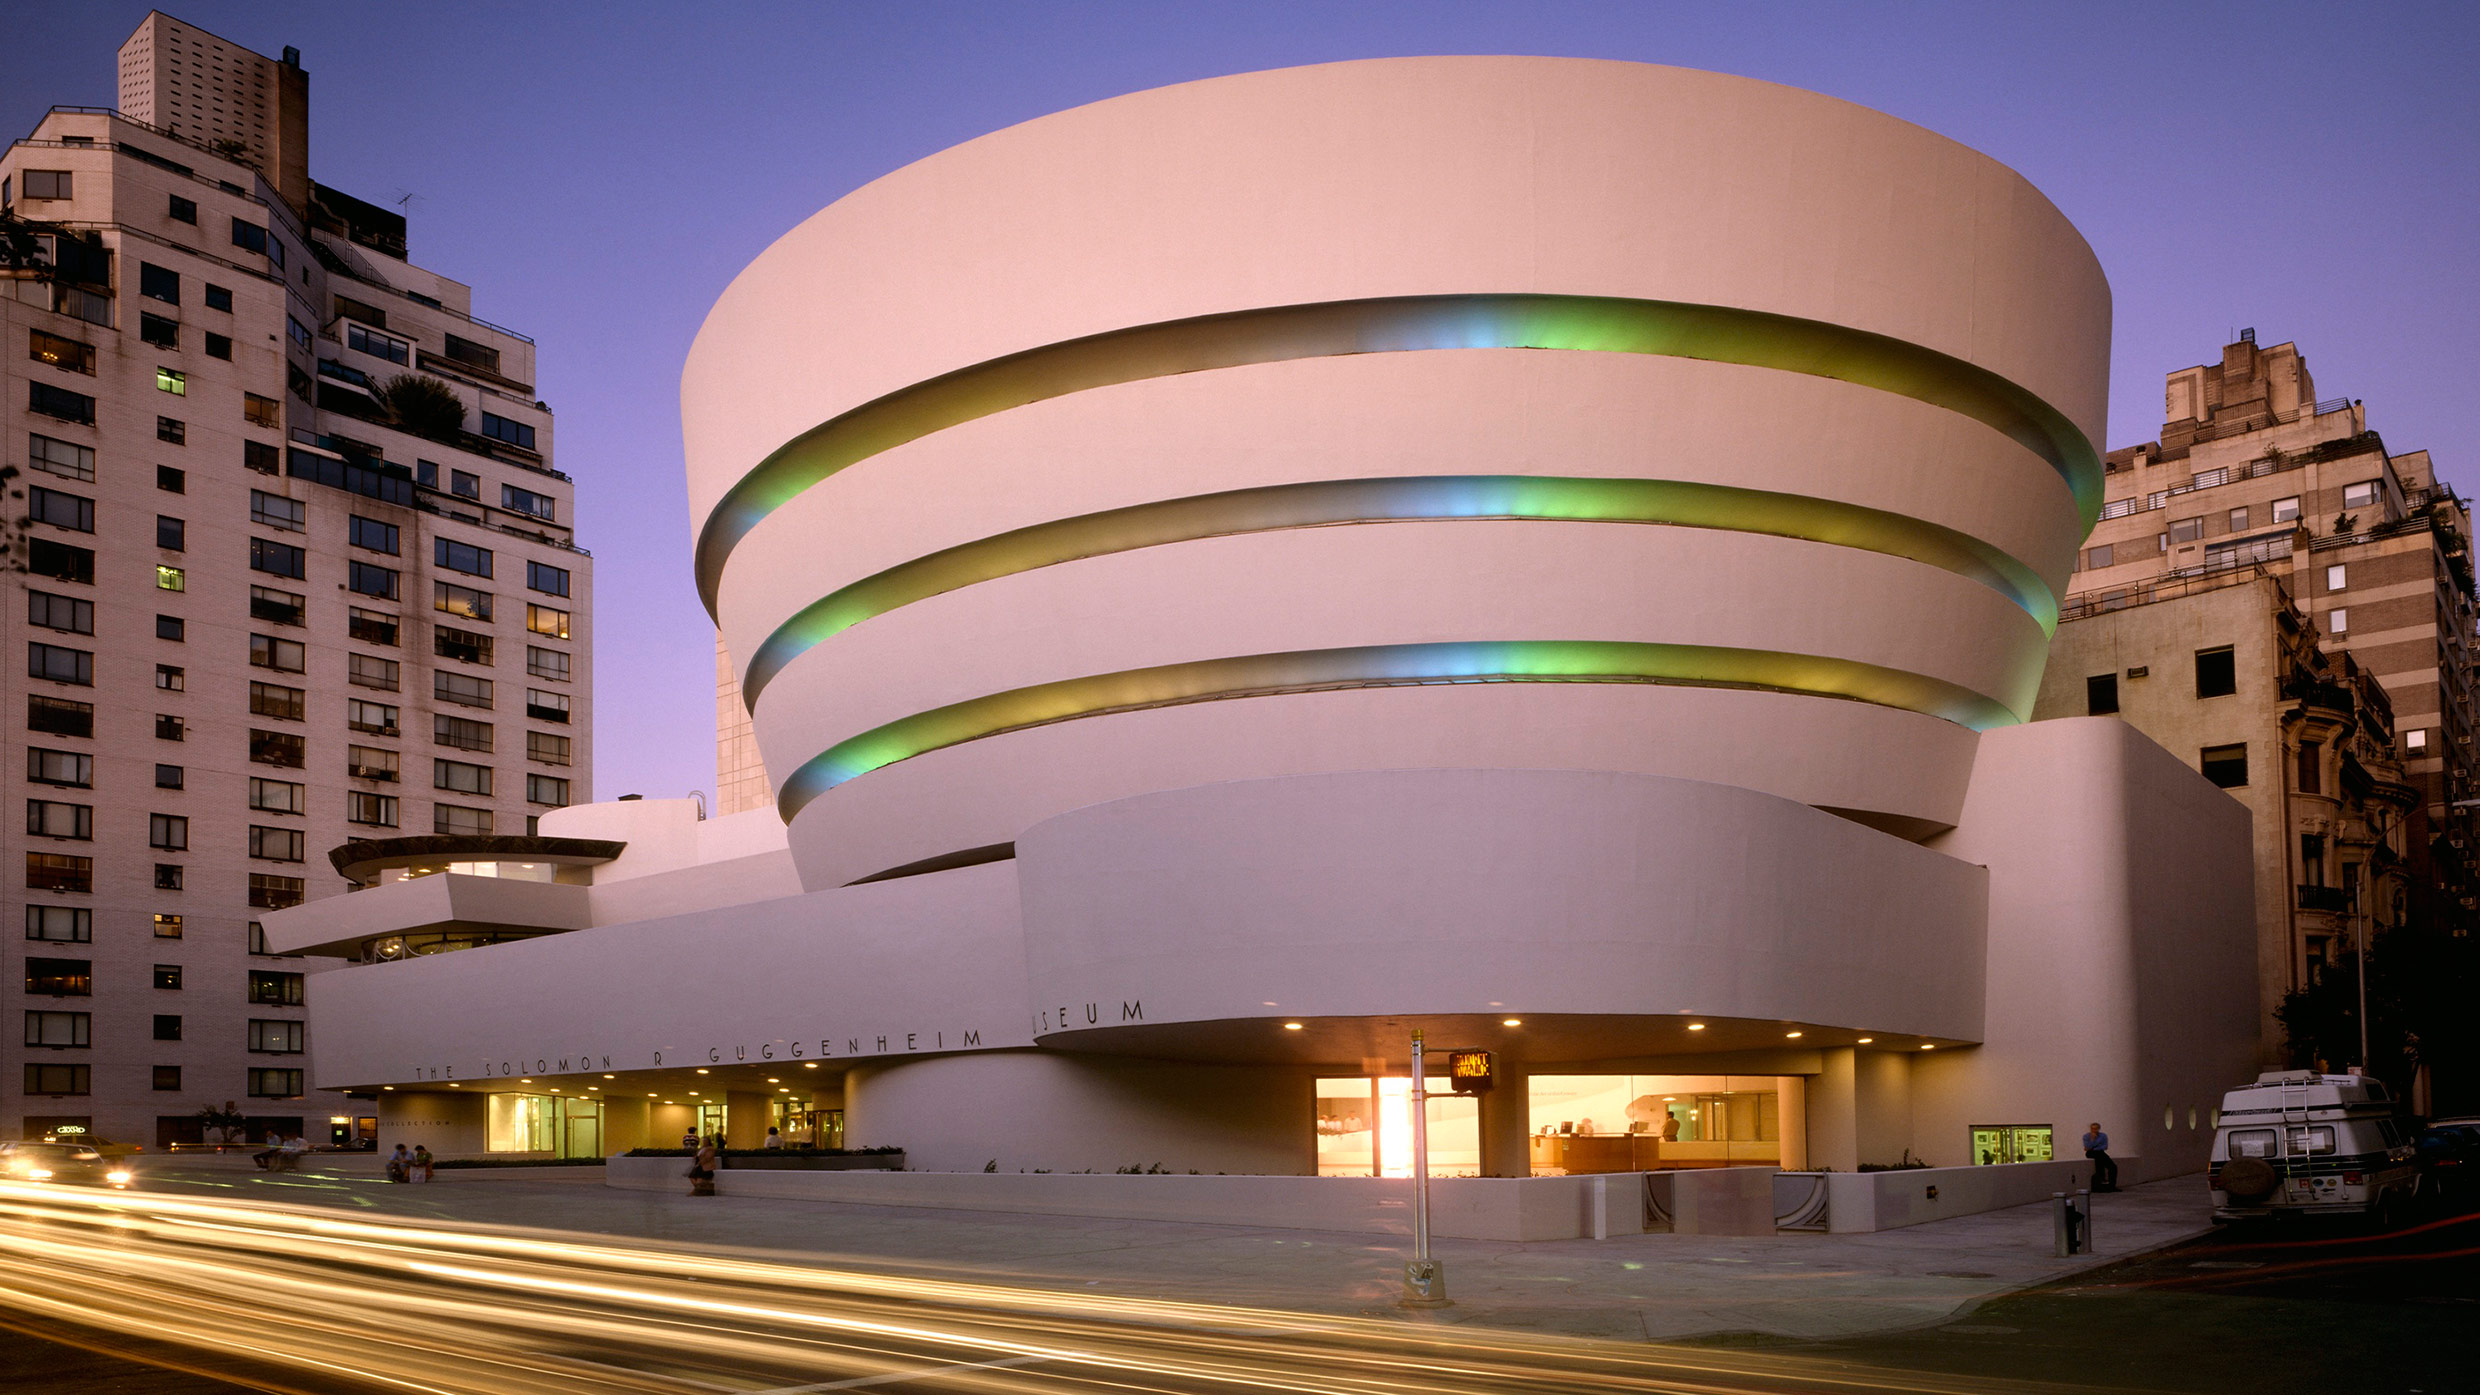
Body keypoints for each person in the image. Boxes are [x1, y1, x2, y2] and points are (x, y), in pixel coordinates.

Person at [2082, 1122, 2118, 1192]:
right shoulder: (2086, 1136)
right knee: (2099, 1162)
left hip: (2100, 1153)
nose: (2094, 1130)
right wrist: (2092, 1140)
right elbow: (2087, 1148)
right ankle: (2101, 1182)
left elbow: (2105, 1146)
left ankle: (2112, 1186)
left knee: (2113, 1167)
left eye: (2095, 1129)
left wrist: (2093, 1146)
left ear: (2098, 1129)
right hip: (2091, 1153)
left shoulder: (2103, 1136)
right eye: (2092, 1128)